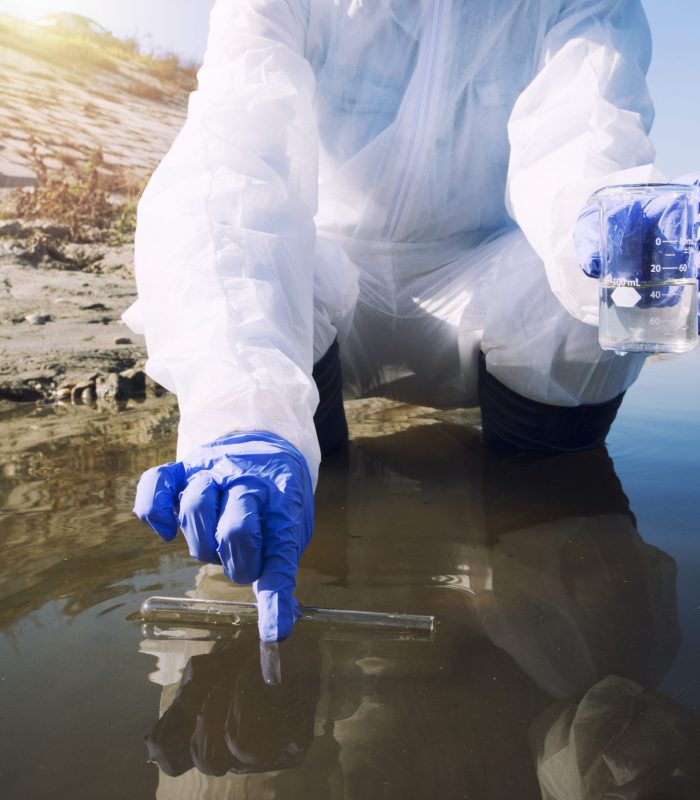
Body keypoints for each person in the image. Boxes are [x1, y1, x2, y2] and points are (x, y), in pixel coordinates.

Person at [127, 0, 674, 642]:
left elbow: (584, 138)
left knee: (595, 291)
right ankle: (283, 471)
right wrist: (237, 411)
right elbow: (239, 161)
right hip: (330, 277)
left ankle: (544, 546)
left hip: (483, 279)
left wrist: (615, 227)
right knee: (253, 272)